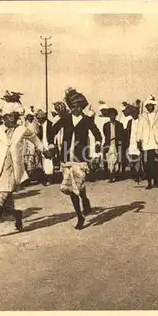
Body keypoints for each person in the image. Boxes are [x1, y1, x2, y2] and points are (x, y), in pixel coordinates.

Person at [0, 94, 50, 241]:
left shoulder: (22, 130)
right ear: (4, 117)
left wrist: (44, 150)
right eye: (10, 116)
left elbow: (36, 140)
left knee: (0, 201)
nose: (13, 119)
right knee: (5, 205)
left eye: (15, 116)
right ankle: (17, 215)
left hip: (13, 170)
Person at [49, 88, 102, 230]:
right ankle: (80, 216)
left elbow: (97, 134)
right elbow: (51, 131)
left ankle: (85, 200)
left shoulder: (86, 120)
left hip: (81, 157)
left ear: (82, 107)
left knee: (79, 185)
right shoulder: (65, 119)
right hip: (66, 158)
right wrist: (50, 144)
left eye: (77, 107)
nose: (75, 109)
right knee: (71, 189)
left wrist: (97, 144)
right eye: (72, 107)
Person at [136, 95, 158, 189]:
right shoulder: (142, 116)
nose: (149, 107)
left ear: (154, 106)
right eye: (148, 105)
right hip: (146, 142)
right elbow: (139, 129)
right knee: (147, 164)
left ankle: (156, 180)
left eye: (151, 105)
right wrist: (138, 140)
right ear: (146, 106)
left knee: (156, 162)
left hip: (156, 142)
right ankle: (149, 182)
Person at [102, 107, 124, 183]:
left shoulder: (119, 125)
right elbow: (105, 134)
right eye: (111, 115)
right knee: (109, 159)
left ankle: (115, 173)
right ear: (108, 116)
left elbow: (121, 135)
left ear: (116, 115)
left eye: (113, 115)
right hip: (109, 143)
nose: (112, 116)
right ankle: (111, 175)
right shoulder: (106, 125)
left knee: (116, 159)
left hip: (117, 143)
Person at [35, 108, 55, 185]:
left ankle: (50, 179)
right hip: (42, 145)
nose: (38, 120)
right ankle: (46, 178)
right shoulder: (40, 126)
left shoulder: (50, 124)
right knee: (43, 162)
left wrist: (52, 146)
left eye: (40, 118)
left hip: (49, 145)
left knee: (49, 161)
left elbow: (53, 136)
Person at [126, 105, 142, 183]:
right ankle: (134, 173)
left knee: (138, 159)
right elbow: (127, 132)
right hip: (131, 142)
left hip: (138, 142)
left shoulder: (141, 121)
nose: (134, 114)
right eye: (133, 113)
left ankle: (138, 175)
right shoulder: (130, 122)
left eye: (136, 113)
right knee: (131, 160)